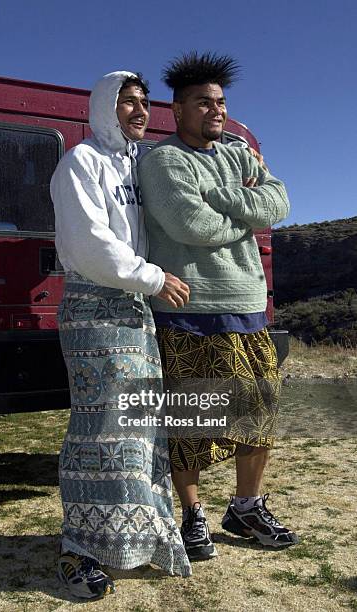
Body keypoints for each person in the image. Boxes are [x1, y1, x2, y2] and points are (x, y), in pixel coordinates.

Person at [139, 51, 299, 561]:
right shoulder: (163, 160)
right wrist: (245, 211)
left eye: (221, 102)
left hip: (249, 304)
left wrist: (225, 199)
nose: (216, 111)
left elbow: (279, 202)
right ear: (177, 109)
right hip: (188, 306)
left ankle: (246, 505)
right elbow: (193, 226)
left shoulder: (237, 151)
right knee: (191, 419)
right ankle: (191, 514)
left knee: (259, 413)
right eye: (204, 102)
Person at [50, 71, 191, 600]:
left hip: (134, 311)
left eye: (143, 102)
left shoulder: (138, 164)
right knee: (99, 430)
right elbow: (90, 245)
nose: (139, 111)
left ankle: (133, 538)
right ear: (105, 106)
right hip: (95, 308)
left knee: (138, 428)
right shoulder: (80, 162)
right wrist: (153, 278)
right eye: (127, 102)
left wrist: (244, 171)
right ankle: (79, 547)